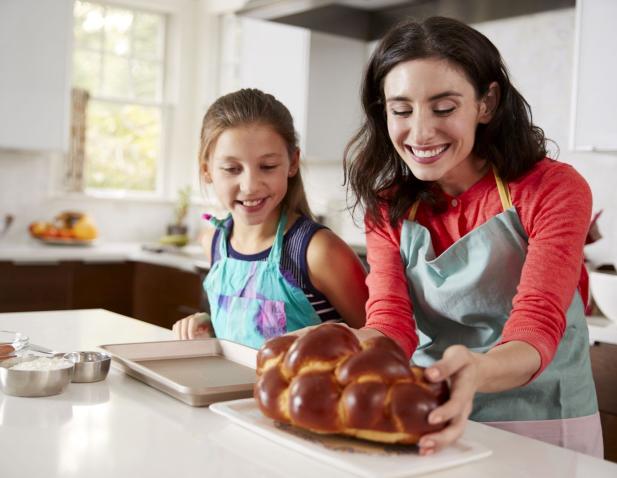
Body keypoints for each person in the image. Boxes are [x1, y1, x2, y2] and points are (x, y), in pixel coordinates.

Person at [343, 17, 602, 457]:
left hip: (544, 422)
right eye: (401, 110)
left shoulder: (551, 189)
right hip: (432, 412)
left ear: (486, 103)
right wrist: (342, 345)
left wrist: (473, 373)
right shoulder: (387, 206)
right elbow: (390, 324)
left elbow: (536, 325)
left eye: (443, 108)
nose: (420, 132)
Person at [173, 88, 368, 349]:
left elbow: (382, 343)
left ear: (293, 162)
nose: (250, 185)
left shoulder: (317, 252)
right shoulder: (215, 243)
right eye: (232, 169)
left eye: (267, 166)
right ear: (207, 170)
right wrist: (208, 325)